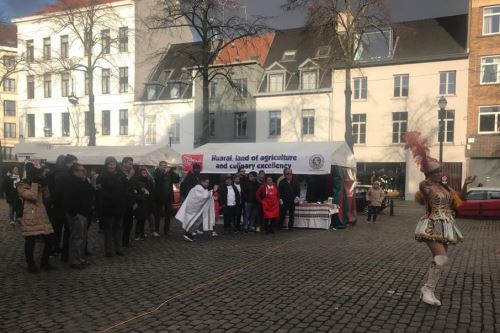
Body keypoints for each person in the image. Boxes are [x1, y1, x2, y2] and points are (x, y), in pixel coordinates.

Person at [406, 131, 475, 306]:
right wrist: (425, 160)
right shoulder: (426, 185)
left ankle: (429, 289)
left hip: (446, 224)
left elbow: (459, 199)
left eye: (441, 171)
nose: (442, 173)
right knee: (441, 257)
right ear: (431, 173)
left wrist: (466, 184)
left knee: (439, 259)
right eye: (438, 171)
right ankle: (428, 289)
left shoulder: (444, 187)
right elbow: (424, 185)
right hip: (432, 223)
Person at [17, 163, 55, 273]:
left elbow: (47, 198)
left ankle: (45, 262)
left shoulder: (38, 184)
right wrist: (35, 183)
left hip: (42, 215)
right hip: (29, 216)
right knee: (30, 241)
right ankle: (31, 264)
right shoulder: (21, 185)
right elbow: (32, 196)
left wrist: (45, 185)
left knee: (50, 240)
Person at [63, 164, 93, 269]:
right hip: (77, 214)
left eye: (84, 170)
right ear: (74, 172)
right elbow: (68, 199)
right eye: (81, 170)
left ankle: (80, 258)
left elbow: (90, 191)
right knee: (76, 238)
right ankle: (74, 260)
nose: (83, 172)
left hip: (84, 213)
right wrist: (74, 213)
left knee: (82, 237)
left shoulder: (82, 181)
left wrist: (85, 181)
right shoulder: (70, 182)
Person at [98, 157, 126, 257]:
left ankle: (119, 248)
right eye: (110, 164)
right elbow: (102, 191)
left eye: (113, 164)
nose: (112, 166)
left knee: (118, 228)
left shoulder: (120, 174)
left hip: (119, 206)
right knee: (109, 229)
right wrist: (112, 198)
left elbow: (125, 187)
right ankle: (109, 250)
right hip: (108, 206)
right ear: (106, 165)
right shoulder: (103, 175)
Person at [176, 176, 218, 242]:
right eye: (206, 182)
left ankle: (189, 234)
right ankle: (188, 234)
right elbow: (203, 196)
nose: (208, 184)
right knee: (197, 221)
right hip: (193, 209)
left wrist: (211, 193)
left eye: (208, 183)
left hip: (194, 209)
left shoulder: (201, 188)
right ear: (202, 182)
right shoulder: (198, 188)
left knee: (197, 221)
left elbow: (205, 195)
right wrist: (213, 191)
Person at [54, 154, 78, 262]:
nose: (76, 165)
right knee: (65, 230)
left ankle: (57, 250)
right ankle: (63, 252)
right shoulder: (65, 175)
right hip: (64, 207)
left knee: (60, 230)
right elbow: (60, 193)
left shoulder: (61, 173)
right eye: (74, 163)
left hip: (61, 206)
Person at [154, 161, 180, 236]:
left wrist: (175, 172)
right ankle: (156, 230)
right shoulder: (157, 172)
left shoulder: (170, 173)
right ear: (159, 166)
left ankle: (166, 230)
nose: (164, 167)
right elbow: (157, 180)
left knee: (168, 215)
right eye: (163, 165)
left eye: (165, 165)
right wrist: (164, 173)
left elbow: (176, 180)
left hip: (168, 197)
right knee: (157, 214)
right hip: (159, 196)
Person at [120, 157, 137, 248]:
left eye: (132, 164)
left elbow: (133, 184)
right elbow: (122, 185)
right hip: (122, 201)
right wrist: (130, 176)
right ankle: (121, 241)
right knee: (122, 222)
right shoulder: (119, 172)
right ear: (124, 163)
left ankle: (126, 241)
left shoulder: (131, 173)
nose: (131, 166)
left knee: (129, 223)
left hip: (130, 201)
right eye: (129, 164)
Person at [135, 167, 155, 240]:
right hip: (141, 202)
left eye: (146, 172)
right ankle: (137, 235)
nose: (145, 174)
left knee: (143, 219)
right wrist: (144, 193)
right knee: (140, 219)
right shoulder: (138, 180)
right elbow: (139, 190)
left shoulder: (148, 180)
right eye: (143, 172)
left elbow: (151, 189)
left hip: (147, 202)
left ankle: (142, 234)